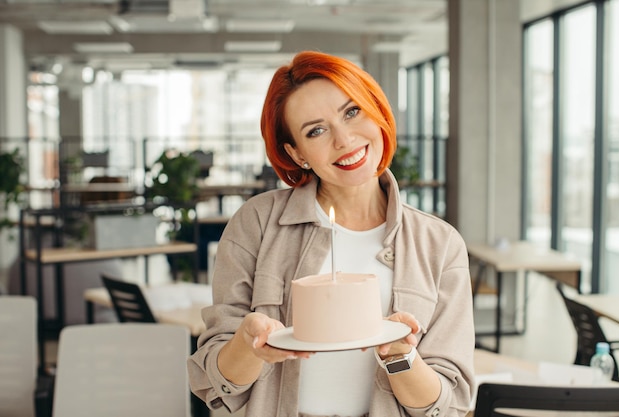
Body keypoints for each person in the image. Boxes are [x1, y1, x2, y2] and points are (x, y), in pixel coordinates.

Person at [188, 50, 475, 417]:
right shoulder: (255, 224)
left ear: (375, 109)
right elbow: (215, 385)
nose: (344, 140)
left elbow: (446, 406)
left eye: (351, 112)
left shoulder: (439, 243)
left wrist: (401, 355)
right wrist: (249, 346)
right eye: (316, 130)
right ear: (297, 153)